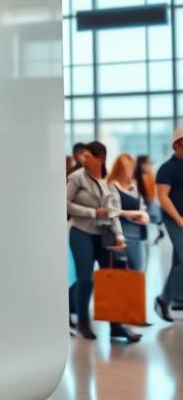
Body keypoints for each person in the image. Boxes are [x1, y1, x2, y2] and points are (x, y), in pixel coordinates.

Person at [67, 141, 139, 344]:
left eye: (89, 156)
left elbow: (113, 213)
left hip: (105, 234)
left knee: (113, 276)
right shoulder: (77, 178)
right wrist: (92, 212)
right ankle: (82, 321)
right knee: (86, 278)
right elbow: (63, 203)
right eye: (84, 156)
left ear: (101, 158)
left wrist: (120, 236)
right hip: (81, 231)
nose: (84, 159)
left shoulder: (109, 183)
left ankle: (116, 326)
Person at [153, 128, 183, 323]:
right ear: (177, 144)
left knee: (179, 261)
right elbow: (162, 197)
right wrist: (179, 219)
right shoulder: (167, 168)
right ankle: (164, 298)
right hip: (174, 219)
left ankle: (175, 297)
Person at [108, 154, 150, 272]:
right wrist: (119, 235)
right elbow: (112, 213)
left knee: (139, 274)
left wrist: (145, 216)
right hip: (122, 238)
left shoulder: (134, 187)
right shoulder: (112, 187)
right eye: (127, 167)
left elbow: (143, 209)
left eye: (132, 167)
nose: (130, 171)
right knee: (122, 276)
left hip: (139, 237)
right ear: (120, 169)